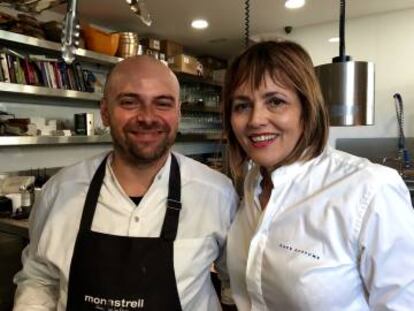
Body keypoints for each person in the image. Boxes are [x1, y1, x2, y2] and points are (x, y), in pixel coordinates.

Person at [13, 55, 238, 311]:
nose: (147, 117)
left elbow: (236, 285)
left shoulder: (217, 193)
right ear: (105, 112)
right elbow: (40, 281)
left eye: (162, 104)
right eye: (130, 102)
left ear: (178, 113)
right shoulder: (60, 191)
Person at [223, 40, 414, 310]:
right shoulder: (251, 185)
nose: (255, 119)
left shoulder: (370, 189)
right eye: (242, 105)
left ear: (307, 108)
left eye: (275, 101)